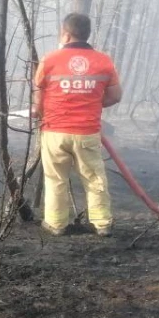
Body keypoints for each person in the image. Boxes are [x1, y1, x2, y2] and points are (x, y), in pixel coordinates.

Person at [31, 13, 123, 236]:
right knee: (94, 178)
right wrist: (89, 102)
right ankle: (102, 224)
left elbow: (38, 98)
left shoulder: (49, 60)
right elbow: (115, 96)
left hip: (54, 132)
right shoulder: (103, 61)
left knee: (55, 179)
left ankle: (55, 224)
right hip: (86, 132)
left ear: (65, 33)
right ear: (87, 34)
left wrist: (40, 111)